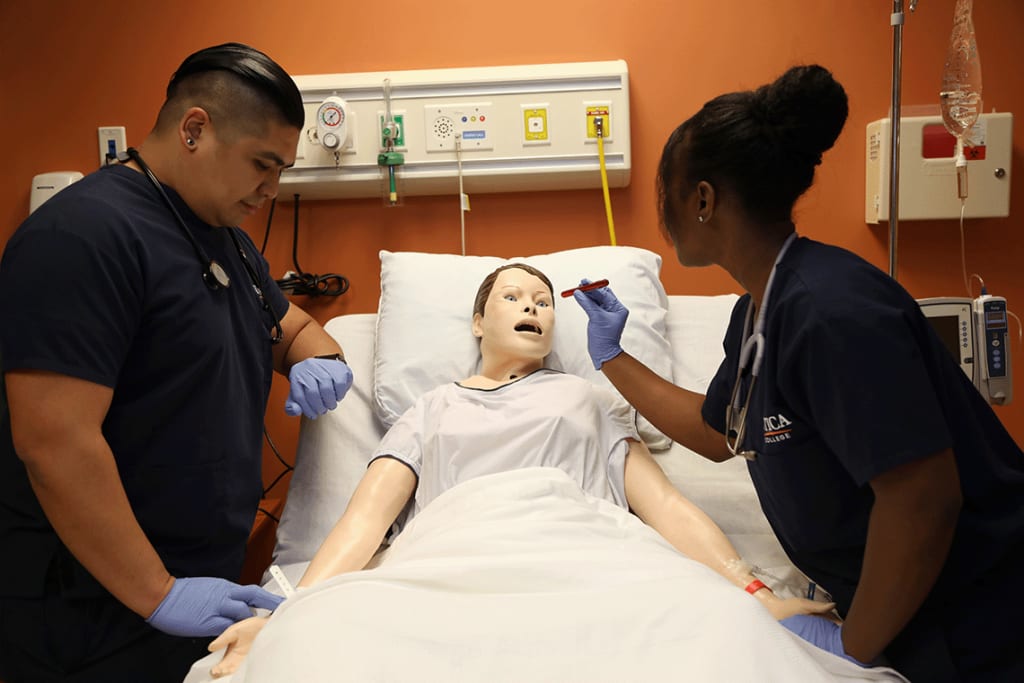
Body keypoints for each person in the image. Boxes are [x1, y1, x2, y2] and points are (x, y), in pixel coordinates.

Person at [572, 64, 1024, 682]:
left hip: (977, 619)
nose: (662, 214)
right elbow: (719, 435)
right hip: (902, 612)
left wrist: (855, 648)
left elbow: (922, 501)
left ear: (703, 200)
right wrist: (612, 357)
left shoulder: (830, 312)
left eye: (665, 195)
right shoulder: (759, 310)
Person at [204, 263, 833, 677]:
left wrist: (752, 592)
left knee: (719, 639)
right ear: (479, 322)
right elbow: (363, 522)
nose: (534, 306)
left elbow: (664, 506)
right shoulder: (432, 408)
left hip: (593, 562)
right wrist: (295, 610)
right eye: (513, 296)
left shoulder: (588, 399)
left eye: (543, 300)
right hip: (454, 564)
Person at [0, 43, 354, 683]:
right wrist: (157, 592)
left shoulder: (227, 240)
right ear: (195, 129)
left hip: (188, 590)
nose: (273, 189)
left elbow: (288, 325)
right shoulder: (83, 237)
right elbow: (54, 442)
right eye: (262, 164)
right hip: (91, 609)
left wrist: (319, 357)